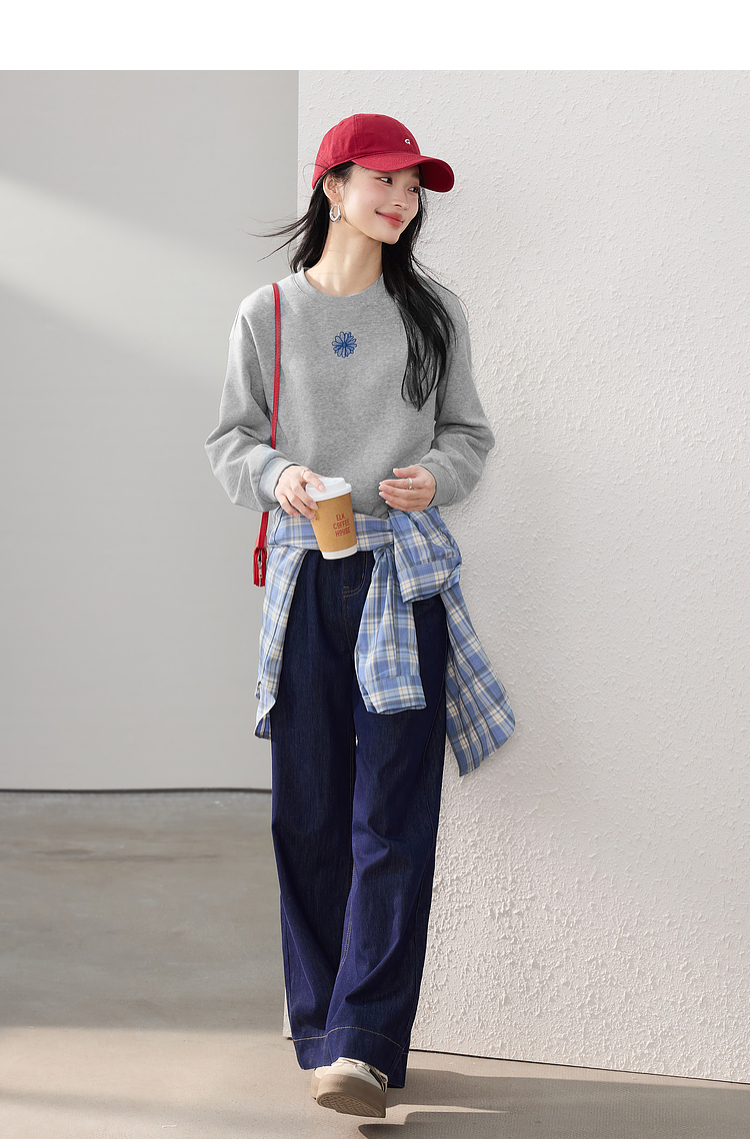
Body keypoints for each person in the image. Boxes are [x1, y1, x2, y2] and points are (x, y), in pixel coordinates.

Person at [205, 113, 514, 1119]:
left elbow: (469, 433)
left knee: (393, 814)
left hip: (402, 579)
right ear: (332, 187)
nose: (402, 201)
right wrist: (280, 474)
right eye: (384, 180)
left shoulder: (433, 313)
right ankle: (322, 1030)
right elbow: (228, 442)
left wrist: (437, 476)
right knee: (307, 809)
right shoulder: (269, 313)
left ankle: (364, 1048)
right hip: (306, 580)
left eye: (413, 188)